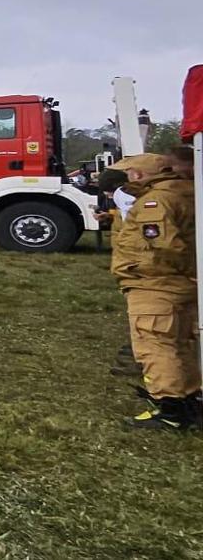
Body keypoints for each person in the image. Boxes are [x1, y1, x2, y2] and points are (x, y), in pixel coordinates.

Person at [110, 152, 198, 429]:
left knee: (154, 343)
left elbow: (164, 245)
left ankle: (170, 408)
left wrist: (141, 268)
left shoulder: (155, 201)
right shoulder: (185, 192)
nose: (127, 177)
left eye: (129, 172)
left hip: (156, 284)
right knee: (180, 342)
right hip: (178, 283)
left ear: (139, 174)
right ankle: (190, 397)